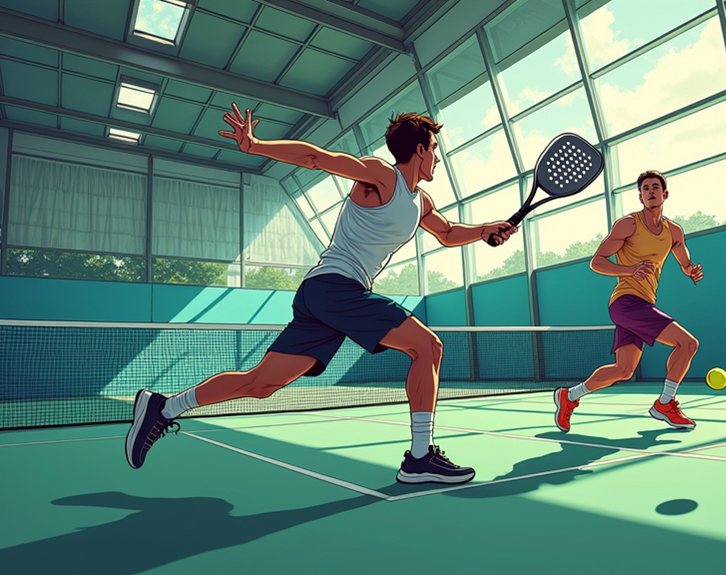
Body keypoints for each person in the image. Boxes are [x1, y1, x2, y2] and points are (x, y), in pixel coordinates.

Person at [125, 104, 517, 484]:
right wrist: (256, 145)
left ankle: (164, 405)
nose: (437, 158)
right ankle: (419, 458)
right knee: (427, 347)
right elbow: (316, 158)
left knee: (261, 384)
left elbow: (447, 234)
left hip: (325, 296)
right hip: (335, 287)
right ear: (420, 149)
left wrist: (484, 230)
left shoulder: (421, 202)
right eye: (434, 149)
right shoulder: (382, 176)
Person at [553, 170, 703, 432]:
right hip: (626, 302)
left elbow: (684, 260)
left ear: (665, 194)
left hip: (644, 303)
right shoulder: (628, 225)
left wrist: (690, 270)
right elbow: (596, 262)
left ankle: (569, 396)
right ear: (640, 196)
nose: (651, 191)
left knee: (623, 370)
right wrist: (630, 269)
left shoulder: (674, 231)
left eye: (655, 187)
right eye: (645, 189)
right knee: (687, 343)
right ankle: (665, 403)